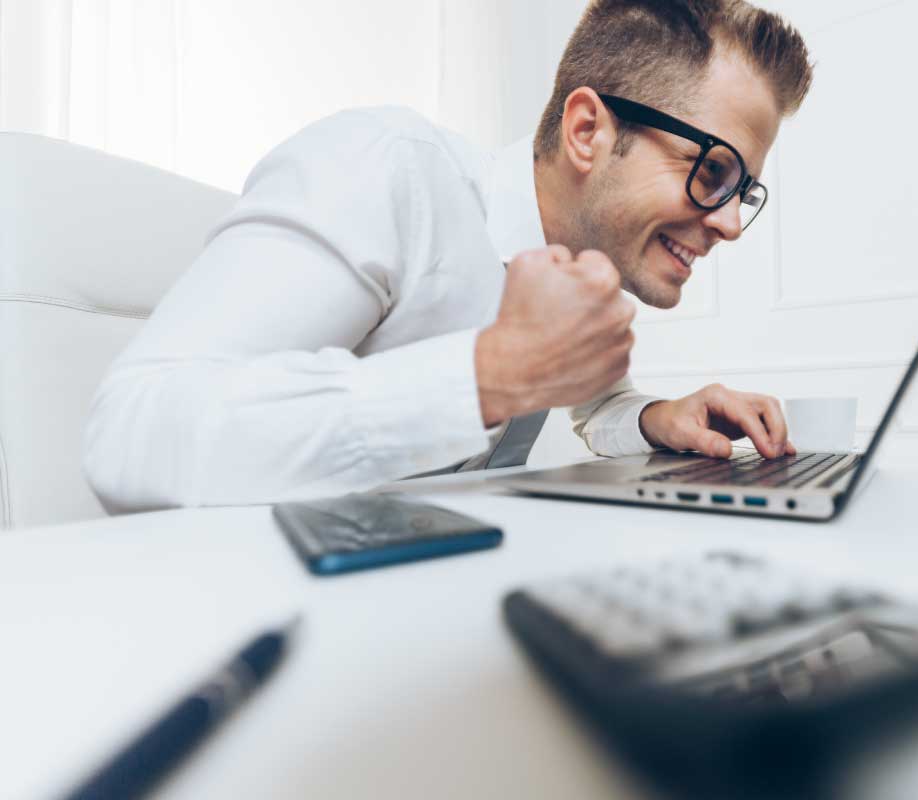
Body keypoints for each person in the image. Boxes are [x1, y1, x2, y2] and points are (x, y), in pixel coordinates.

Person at [83, 0, 814, 513]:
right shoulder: (384, 170)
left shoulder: (581, 262)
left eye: (743, 189)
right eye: (713, 171)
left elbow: (588, 403)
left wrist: (655, 416)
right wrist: (492, 376)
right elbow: (130, 434)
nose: (731, 224)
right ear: (588, 131)